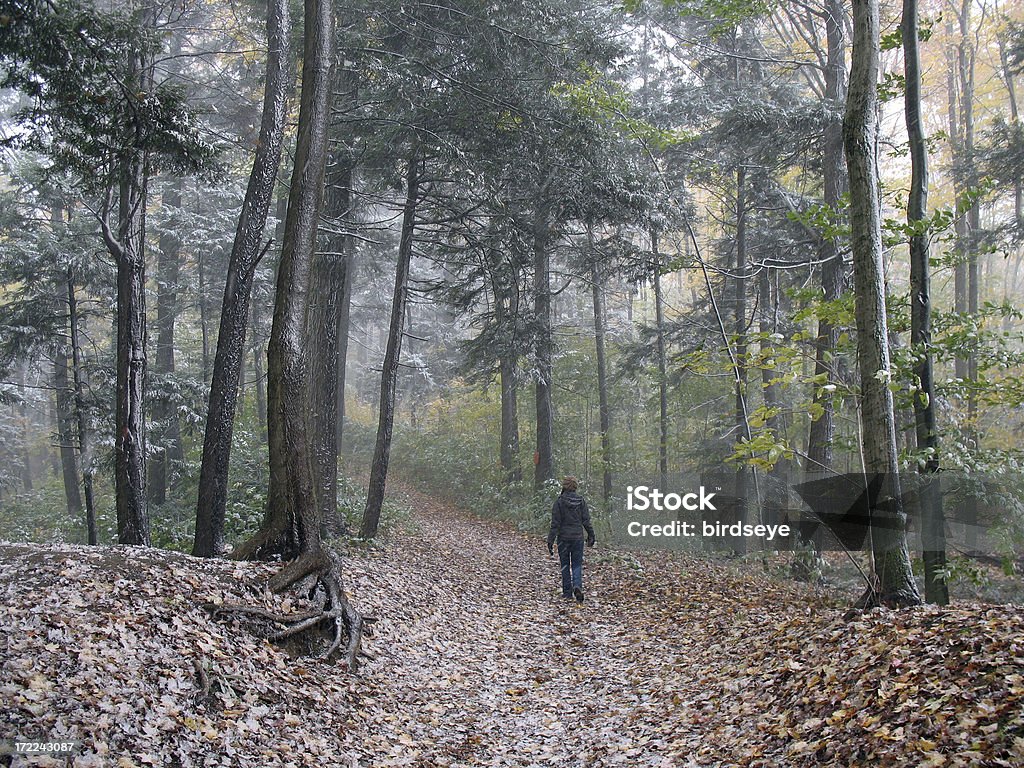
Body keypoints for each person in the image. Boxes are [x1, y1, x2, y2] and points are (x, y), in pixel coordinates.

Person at [547, 476, 595, 603]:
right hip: (578, 537)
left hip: (563, 538)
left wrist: (550, 540)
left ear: (564, 486)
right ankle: (577, 586)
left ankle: (567, 592)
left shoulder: (559, 502)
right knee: (577, 564)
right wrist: (591, 535)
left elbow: (555, 524)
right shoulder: (581, 501)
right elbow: (586, 521)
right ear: (575, 486)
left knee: (565, 565)